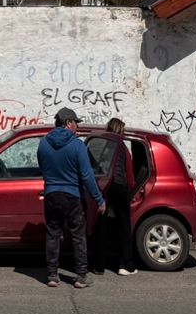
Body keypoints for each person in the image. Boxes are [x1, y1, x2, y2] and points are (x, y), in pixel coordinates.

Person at [36, 107, 106, 289]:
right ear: (68, 123)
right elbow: (87, 176)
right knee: (78, 236)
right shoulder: (77, 145)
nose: (77, 126)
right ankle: (81, 276)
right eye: (75, 122)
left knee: (53, 235)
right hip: (73, 196)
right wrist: (99, 199)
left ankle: (52, 275)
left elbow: (42, 168)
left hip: (51, 194)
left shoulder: (43, 144)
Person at [102, 118, 137, 274]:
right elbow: (129, 173)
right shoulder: (122, 147)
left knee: (105, 224)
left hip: (105, 188)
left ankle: (100, 262)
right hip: (120, 187)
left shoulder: (102, 144)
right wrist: (131, 190)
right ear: (119, 130)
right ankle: (125, 264)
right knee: (124, 226)